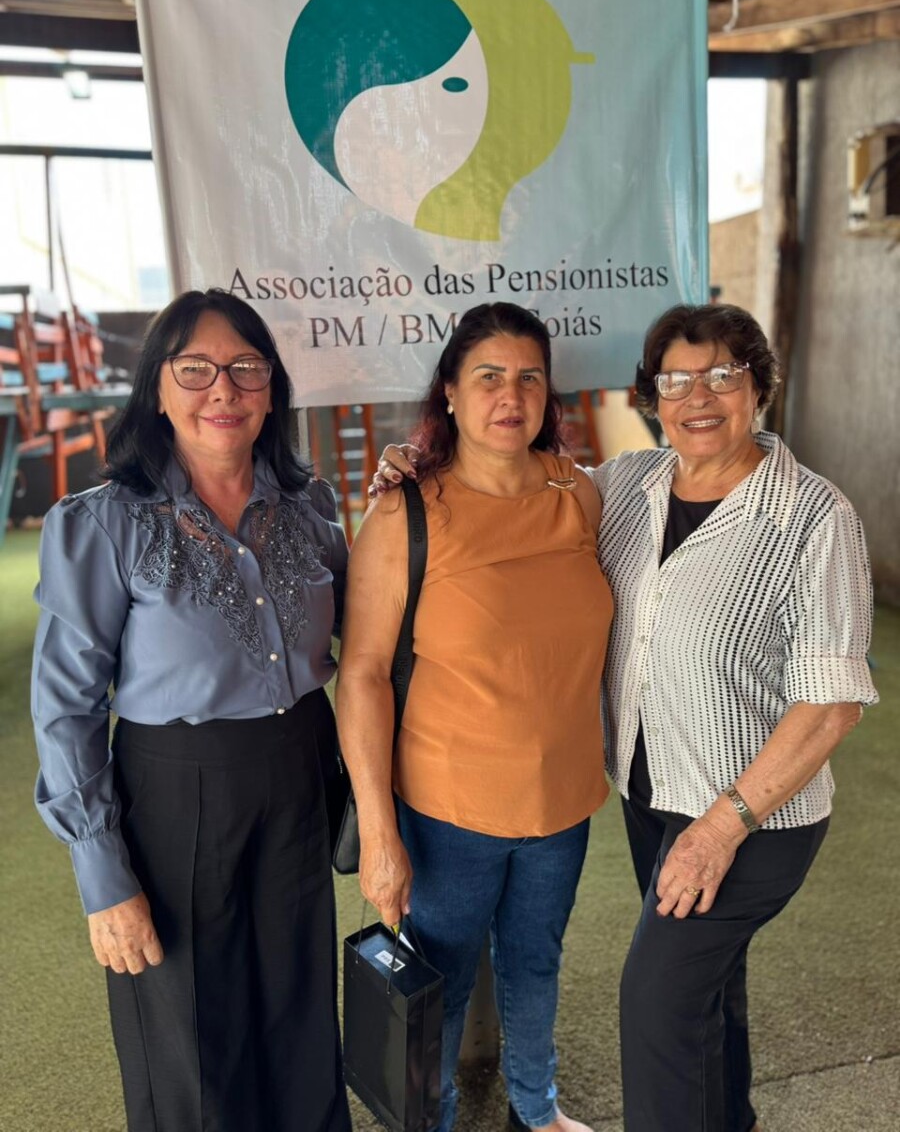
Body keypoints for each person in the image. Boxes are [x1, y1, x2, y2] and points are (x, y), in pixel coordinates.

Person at [371, 302, 878, 1132]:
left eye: (723, 375)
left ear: (760, 388)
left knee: (657, 1002)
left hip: (751, 815)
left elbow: (831, 706)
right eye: (675, 380)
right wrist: (417, 464)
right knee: (710, 985)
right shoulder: (627, 486)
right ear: (651, 397)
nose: (699, 397)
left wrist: (719, 830)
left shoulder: (814, 518)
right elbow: (514, 482)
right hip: (655, 798)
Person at [32, 288, 352, 1132]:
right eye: (196, 370)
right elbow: (65, 707)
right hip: (174, 797)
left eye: (246, 368)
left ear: (272, 388)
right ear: (158, 389)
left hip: (299, 781)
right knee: (192, 1051)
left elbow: (370, 635)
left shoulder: (311, 508)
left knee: (300, 1023)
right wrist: (104, 877)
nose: (224, 390)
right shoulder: (104, 525)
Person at [336, 302, 613, 1132]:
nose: (510, 395)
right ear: (450, 393)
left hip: (562, 803)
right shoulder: (407, 512)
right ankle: (433, 1120)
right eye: (488, 376)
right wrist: (380, 832)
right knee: (442, 984)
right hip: (448, 810)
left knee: (536, 965)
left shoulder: (579, 495)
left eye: (529, 377)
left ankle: (538, 1108)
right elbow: (363, 674)